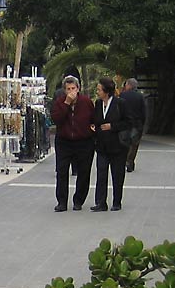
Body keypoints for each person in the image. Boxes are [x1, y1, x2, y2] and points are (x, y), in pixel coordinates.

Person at [50, 75, 95, 211]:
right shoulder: (60, 102)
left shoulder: (86, 102)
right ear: (64, 90)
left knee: (84, 172)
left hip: (83, 141)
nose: (71, 91)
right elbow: (56, 119)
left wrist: (92, 131)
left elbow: (93, 119)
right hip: (64, 141)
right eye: (68, 89)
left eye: (73, 88)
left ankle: (78, 200)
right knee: (62, 171)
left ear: (78, 89)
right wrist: (67, 104)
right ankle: (62, 202)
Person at [90, 76, 132, 212]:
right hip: (102, 146)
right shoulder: (98, 103)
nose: (97, 92)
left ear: (106, 91)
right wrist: (94, 127)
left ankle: (116, 201)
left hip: (118, 146)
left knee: (117, 174)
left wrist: (112, 126)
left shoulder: (120, 103)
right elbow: (96, 120)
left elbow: (128, 122)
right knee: (101, 174)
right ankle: (100, 202)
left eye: (99, 89)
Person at [119, 77, 147, 172]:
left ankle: (123, 161)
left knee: (124, 143)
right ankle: (130, 161)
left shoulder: (122, 95)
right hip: (137, 124)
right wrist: (142, 123)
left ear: (129, 85)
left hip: (125, 123)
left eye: (126, 84)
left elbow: (119, 110)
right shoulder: (140, 96)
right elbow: (143, 112)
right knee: (134, 144)